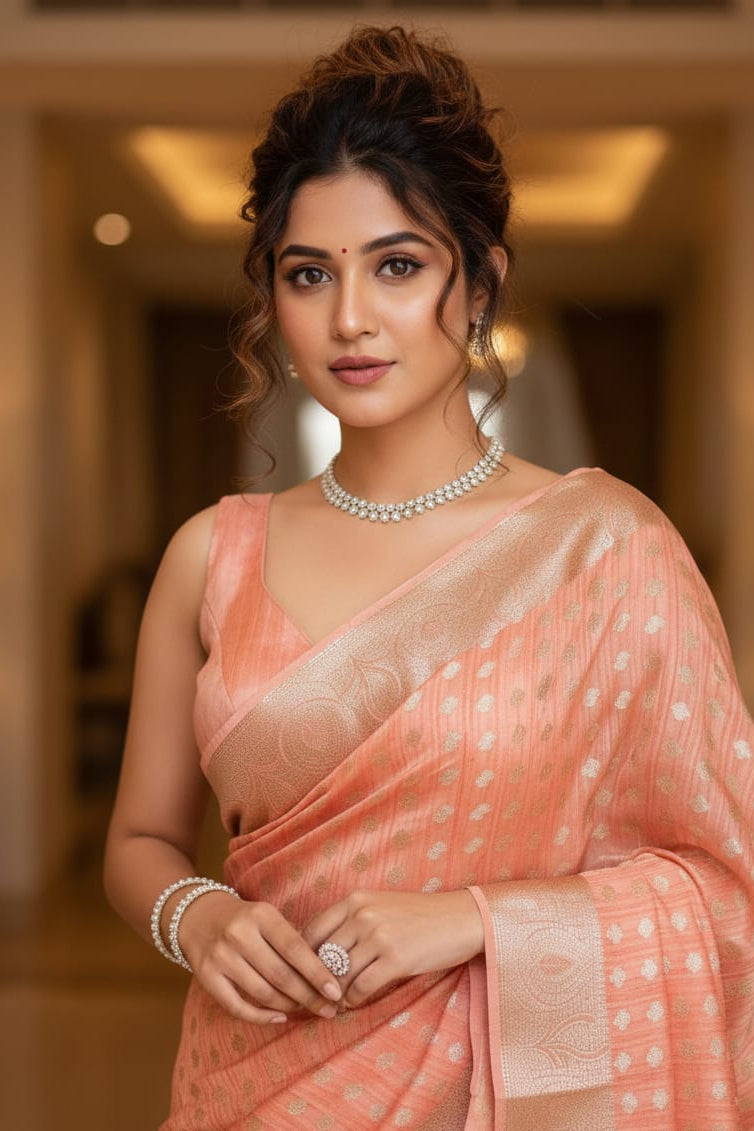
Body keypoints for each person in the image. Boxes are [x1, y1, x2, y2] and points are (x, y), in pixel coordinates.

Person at [104, 24, 754, 1131]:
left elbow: (721, 887)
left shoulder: (607, 550)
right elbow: (138, 846)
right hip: (247, 1083)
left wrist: (477, 917)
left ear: (480, 281)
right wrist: (200, 919)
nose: (349, 319)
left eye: (397, 266)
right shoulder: (212, 555)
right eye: (309, 275)